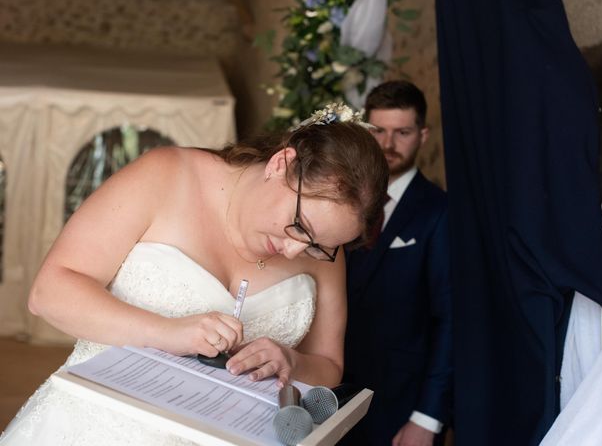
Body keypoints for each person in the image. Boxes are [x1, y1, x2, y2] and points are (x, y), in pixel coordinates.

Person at [0, 103, 388, 445]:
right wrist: (169, 332)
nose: (294, 250)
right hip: (97, 426)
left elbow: (327, 364)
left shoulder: (322, 251)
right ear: (280, 164)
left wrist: (290, 361)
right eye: (298, 225)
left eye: (319, 246)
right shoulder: (164, 175)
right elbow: (49, 292)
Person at [341, 81, 452, 446]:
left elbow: (450, 320)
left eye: (402, 133)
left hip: (400, 404)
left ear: (422, 135)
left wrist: (427, 418)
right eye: (379, 131)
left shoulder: (441, 212)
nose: (388, 145)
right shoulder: (339, 200)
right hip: (330, 394)